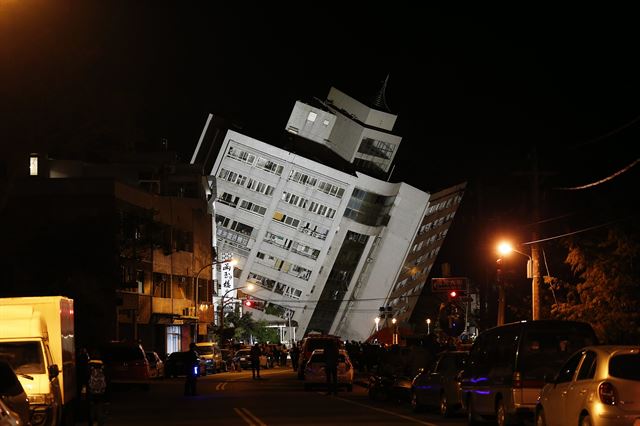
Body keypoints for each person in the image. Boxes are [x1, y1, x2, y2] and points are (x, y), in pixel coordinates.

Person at [86, 350, 108, 426]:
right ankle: (100, 421)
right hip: (101, 390)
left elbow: (86, 377)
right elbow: (107, 377)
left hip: (91, 390)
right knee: (100, 406)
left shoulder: (89, 365)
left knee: (91, 406)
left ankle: (91, 421)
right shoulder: (102, 364)